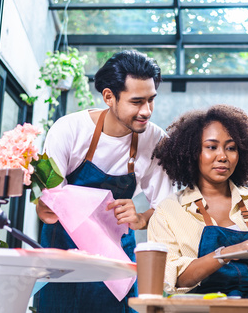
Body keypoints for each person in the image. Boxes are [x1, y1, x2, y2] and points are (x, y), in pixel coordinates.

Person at [35, 50, 173, 312]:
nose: (147, 111)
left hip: (116, 255)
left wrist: (142, 218)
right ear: (109, 96)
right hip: (63, 254)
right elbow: (48, 206)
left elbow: (167, 208)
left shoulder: (154, 139)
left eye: (151, 100)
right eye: (136, 101)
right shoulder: (69, 130)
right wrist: (45, 206)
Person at [148, 104, 248, 298]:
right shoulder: (168, 211)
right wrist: (227, 253)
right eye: (211, 147)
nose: (223, 156)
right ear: (192, 152)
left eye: (231, 148)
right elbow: (173, 280)